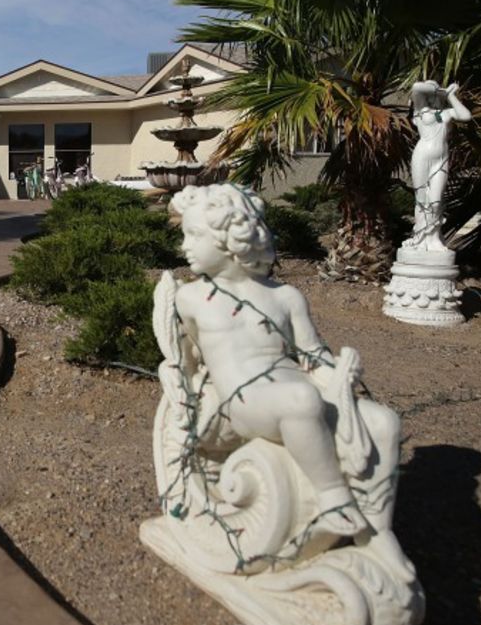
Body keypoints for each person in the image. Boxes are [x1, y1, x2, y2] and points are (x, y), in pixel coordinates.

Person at [169, 184, 396, 538]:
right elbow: (185, 358)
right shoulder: (192, 298)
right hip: (244, 403)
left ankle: (377, 532)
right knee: (301, 402)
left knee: (384, 423)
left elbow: (312, 354)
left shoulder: (286, 297)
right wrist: (184, 396)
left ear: (232, 240)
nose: (184, 246)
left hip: (299, 390)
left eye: (194, 235)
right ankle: (333, 496)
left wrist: (339, 372)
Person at [406, 81, 471, 251]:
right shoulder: (421, 109)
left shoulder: (447, 112)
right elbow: (416, 87)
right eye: (432, 92)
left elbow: (466, 116)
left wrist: (450, 96)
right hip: (421, 156)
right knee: (421, 199)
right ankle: (420, 237)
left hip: (441, 159)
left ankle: (434, 238)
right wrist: (439, 89)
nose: (434, 96)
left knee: (436, 201)